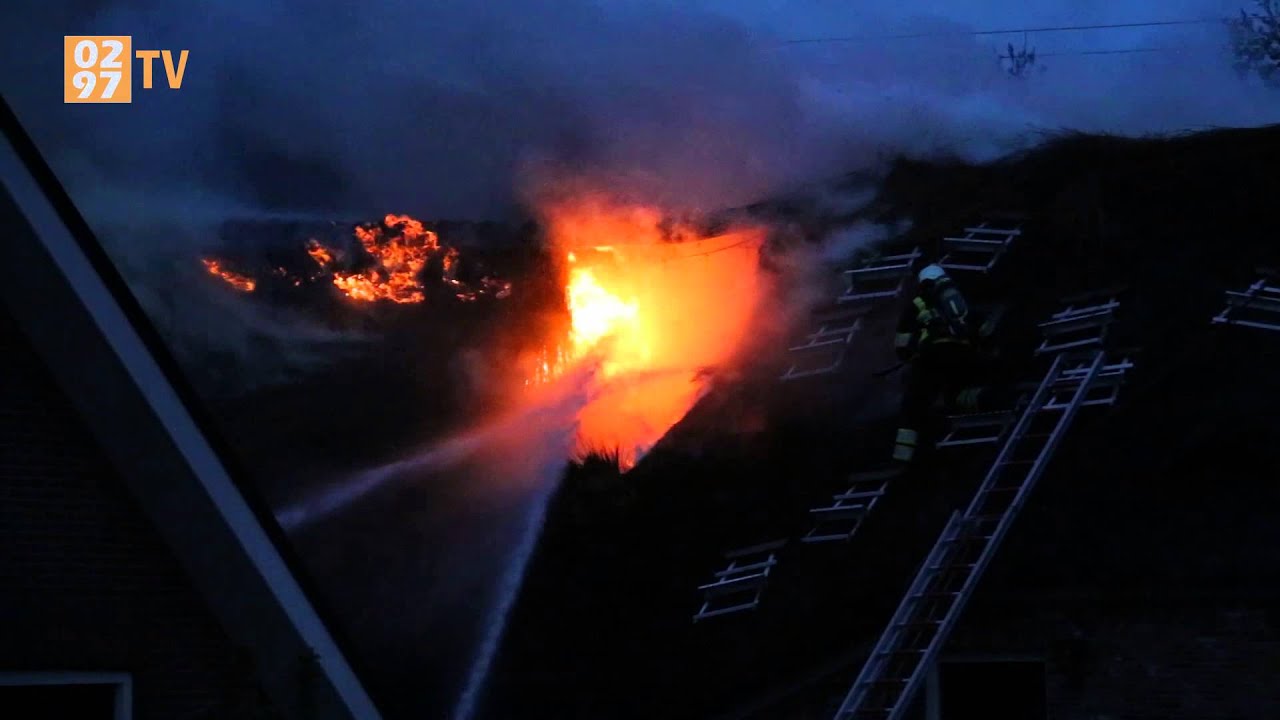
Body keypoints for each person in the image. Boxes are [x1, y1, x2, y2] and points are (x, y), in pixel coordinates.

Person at [891, 263, 998, 465]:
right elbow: (985, 332)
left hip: (932, 358)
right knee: (956, 395)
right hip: (964, 356)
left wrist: (909, 355)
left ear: (923, 283)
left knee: (913, 406)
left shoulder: (917, 304)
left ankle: (902, 459)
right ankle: (986, 402)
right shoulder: (960, 301)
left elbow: (902, 345)